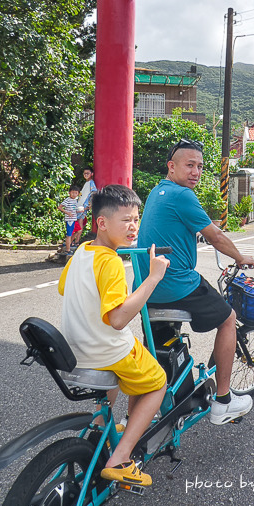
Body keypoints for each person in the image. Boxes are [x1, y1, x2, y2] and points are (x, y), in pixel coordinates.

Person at [137, 138, 254, 425]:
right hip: (176, 284)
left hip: (146, 289)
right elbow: (215, 235)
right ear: (172, 166)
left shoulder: (158, 192)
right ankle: (224, 402)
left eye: (200, 167)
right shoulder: (183, 196)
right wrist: (240, 257)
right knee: (228, 318)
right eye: (190, 165)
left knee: (161, 345)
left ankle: (161, 404)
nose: (196, 172)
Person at [58, 184, 170, 487]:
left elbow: (65, 288)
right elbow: (119, 319)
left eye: (136, 219)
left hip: (76, 348)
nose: (133, 226)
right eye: (125, 220)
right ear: (102, 223)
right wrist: (153, 278)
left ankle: (99, 426)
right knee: (157, 382)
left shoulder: (82, 251)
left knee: (124, 371)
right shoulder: (110, 262)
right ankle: (121, 459)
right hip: (106, 348)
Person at [57, 183, 83, 253]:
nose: (74, 194)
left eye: (76, 193)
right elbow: (59, 207)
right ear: (69, 193)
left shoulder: (75, 200)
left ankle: (68, 244)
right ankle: (68, 249)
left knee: (78, 231)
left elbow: (74, 210)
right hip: (70, 220)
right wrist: (67, 213)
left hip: (74, 219)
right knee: (69, 235)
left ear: (78, 194)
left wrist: (81, 210)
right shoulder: (67, 200)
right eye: (73, 193)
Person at [76, 166, 98, 236]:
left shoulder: (91, 183)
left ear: (92, 174)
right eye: (84, 173)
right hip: (80, 206)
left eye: (87, 173)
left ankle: (76, 241)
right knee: (78, 223)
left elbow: (93, 193)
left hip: (83, 207)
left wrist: (89, 205)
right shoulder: (87, 183)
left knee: (79, 224)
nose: (86, 175)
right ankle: (75, 240)